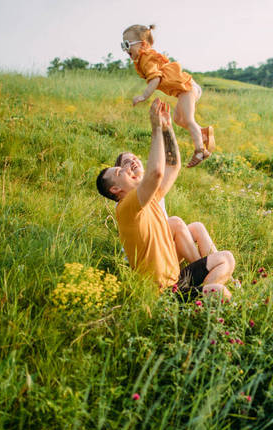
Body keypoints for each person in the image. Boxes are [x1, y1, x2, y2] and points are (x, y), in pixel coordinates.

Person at [96, 99, 234, 300]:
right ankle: (201, 297)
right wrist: (155, 128)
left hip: (177, 280)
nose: (128, 167)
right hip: (164, 293)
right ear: (116, 189)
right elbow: (156, 174)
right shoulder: (126, 208)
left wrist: (167, 127)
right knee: (219, 292)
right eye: (120, 171)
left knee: (226, 258)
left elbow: (173, 166)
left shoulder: (150, 199)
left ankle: (200, 296)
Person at [122, 24, 214, 168]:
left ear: (143, 44)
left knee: (188, 119)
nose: (125, 49)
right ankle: (203, 132)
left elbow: (155, 79)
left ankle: (200, 150)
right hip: (184, 90)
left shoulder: (146, 58)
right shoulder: (143, 59)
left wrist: (144, 96)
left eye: (127, 44)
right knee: (178, 119)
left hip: (187, 88)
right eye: (123, 45)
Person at [114, 151, 218, 263]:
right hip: (148, 258)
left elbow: (168, 168)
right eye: (127, 162)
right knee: (175, 223)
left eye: (135, 158)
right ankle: (203, 270)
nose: (133, 161)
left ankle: (225, 277)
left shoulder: (150, 186)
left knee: (197, 227)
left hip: (160, 245)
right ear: (121, 172)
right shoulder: (129, 199)